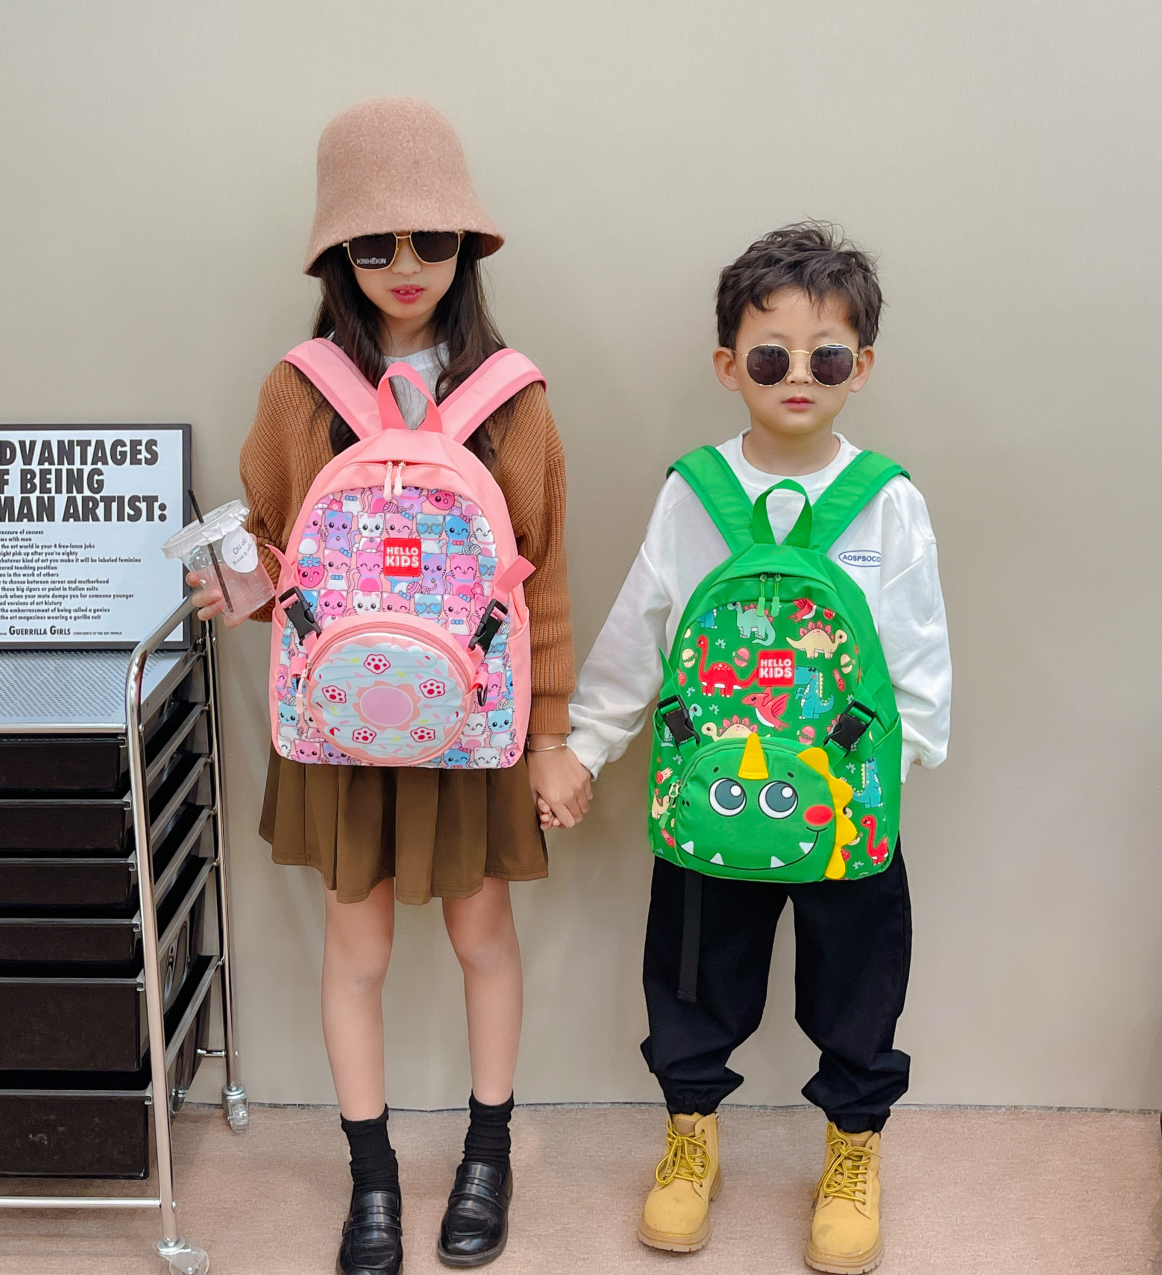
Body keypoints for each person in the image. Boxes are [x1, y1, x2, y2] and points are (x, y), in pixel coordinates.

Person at [190, 98, 587, 1274]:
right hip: (340, 719)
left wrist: (551, 733)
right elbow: (274, 549)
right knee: (353, 947)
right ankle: (371, 1174)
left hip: (474, 719)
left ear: (468, 246)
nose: (405, 265)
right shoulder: (297, 389)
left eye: (432, 239)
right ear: (334, 255)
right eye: (373, 243)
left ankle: (487, 1151)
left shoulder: (513, 395)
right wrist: (237, 581)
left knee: (482, 935)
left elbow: (542, 576)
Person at [540, 222, 951, 1272]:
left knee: (856, 979)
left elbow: (916, 651)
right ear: (728, 366)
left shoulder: (888, 501)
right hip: (706, 794)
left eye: (826, 357)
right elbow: (643, 629)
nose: (797, 377)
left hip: (846, 800)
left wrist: (895, 771)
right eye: (770, 357)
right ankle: (691, 1138)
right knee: (692, 973)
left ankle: (852, 1147)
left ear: (862, 366)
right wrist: (586, 744)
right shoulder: (694, 491)